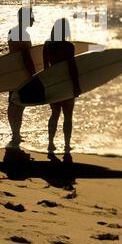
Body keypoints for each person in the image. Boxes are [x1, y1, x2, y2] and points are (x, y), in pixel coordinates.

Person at [43, 18, 81, 154]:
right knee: (68, 116)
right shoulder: (69, 46)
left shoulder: (47, 45)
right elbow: (72, 68)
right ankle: (66, 145)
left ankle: (50, 144)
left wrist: (48, 85)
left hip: (53, 83)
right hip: (67, 84)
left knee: (54, 114)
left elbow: (45, 68)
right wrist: (77, 86)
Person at [7, 6, 35, 147]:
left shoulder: (12, 31)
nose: (34, 19)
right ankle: (15, 134)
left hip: (13, 72)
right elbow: (26, 58)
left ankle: (16, 133)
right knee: (17, 104)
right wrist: (33, 75)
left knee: (15, 103)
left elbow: (13, 54)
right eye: (31, 17)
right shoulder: (23, 34)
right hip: (21, 74)